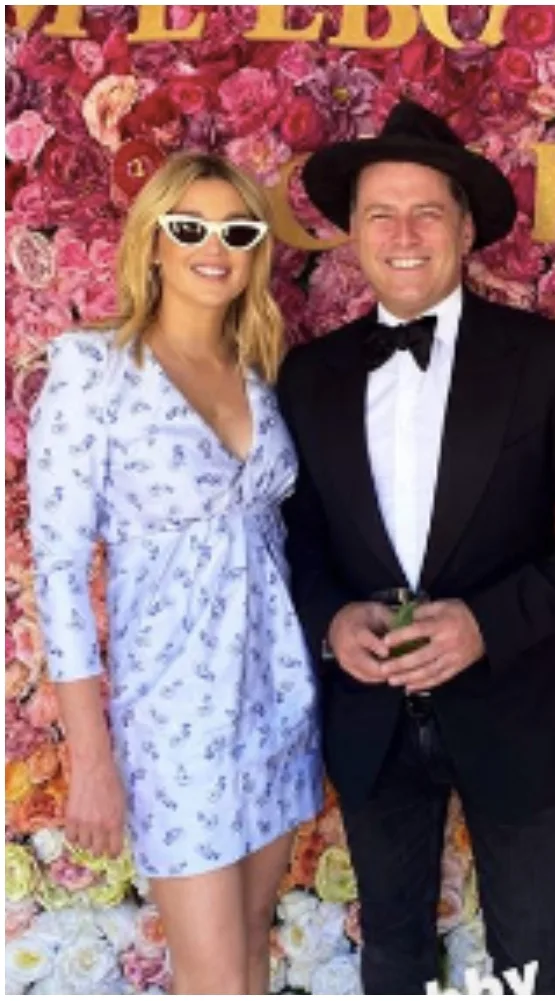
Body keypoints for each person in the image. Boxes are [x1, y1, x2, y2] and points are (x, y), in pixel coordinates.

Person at [277, 99, 555, 994]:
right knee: (394, 955)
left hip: (515, 709)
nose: (404, 234)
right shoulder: (310, 375)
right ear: (353, 236)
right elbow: (295, 536)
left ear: (466, 227)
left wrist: (488, 621)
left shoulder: (545, 358)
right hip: (370, 725)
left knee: (531, 958)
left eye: (426, 212)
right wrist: (332, 621)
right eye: (380, 215)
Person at [27, 153, 323, 993]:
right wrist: (91, 756)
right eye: (189, 227)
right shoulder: (93, 374)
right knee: (215, 979)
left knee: (252, 949)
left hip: (274, 700)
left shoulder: (261, 371)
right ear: (152, 243)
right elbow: (58, 568)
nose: (214, 247)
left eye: (238, 230)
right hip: (174, 715)